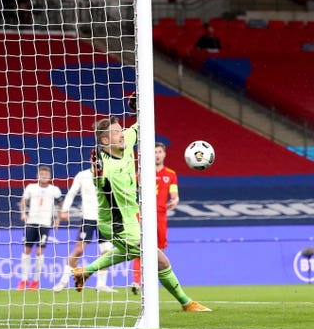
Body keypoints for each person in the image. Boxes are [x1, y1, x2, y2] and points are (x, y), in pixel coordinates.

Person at [72, 117, 211, 311]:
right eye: (115, 132)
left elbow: (142, 124)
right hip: (115, 222)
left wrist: (136, 106)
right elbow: (100, 182)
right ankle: (186, 302)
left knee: (125, 253)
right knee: (160, 260)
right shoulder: (103, 165)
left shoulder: (126, 140)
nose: (122, 134)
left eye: (121, 129)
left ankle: (85, 271)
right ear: (104, 141)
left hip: (132, 218)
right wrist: (97, 173)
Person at [52, 166, 116, 293]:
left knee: (107, 252)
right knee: (79, 249)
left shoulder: (110, 173)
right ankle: (63, 281)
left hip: (105, 219)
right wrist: (64, 210)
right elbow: (71, 193)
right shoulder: (82, 175)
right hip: (88, 218)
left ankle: (101, 285)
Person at [131, 142, 180, 295]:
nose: (157, 155)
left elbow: (174, 194)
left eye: (159, 152)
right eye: (154, 152)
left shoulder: (170, 174)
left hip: (160, 215)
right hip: (143, 214)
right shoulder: (143, 173)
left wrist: (175, 200)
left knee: (160, 250)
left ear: (164, 154)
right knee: (141, 248)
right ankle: (137, 281)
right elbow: (132, 190)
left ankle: (151, 280)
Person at [17, 165, 63, 291]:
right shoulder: (31, 187)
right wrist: (23, 213)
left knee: (39, 252)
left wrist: (58, 218)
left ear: (50, 177)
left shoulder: (54, 190)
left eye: (46, 175)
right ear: (37, 176)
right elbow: (23, 201)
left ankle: (35, 281)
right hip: (31, 223)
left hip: (44, 224)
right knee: (26, 250)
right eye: (41, 174)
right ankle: (24, 280)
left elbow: (60, 203)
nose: (44, 176)